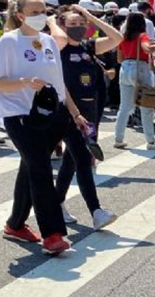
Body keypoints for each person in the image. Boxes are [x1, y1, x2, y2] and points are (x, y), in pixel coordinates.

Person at [0, 0, 75, 254]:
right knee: (41, 169)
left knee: (32, 166)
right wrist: (23, 82)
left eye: (44, 11)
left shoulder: (49, 40)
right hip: (20, 114)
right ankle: (52, 233)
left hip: (52, 114)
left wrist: (71, 112)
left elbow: (58, 80)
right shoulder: (8, 41)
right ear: (20, 15)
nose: (41, 16)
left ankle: (15, 224)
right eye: (34, 12)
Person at [56, 4, 120, 230]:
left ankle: (57, 203)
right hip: (68, 112)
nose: (78, 27)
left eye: (81, 24)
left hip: (90, 110)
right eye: (72, 24)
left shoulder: (89, 46)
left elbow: (117, 37)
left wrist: (90, 16)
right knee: (83, 160)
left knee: (71, 161)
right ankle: (96, 211)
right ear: (61, 26)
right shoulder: (58, 47)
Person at [113, 11, 155, 150]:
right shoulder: (143, 36)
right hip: (140, 68)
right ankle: (151, 141)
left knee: (124, 107)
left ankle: (118, 139)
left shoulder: (123, 37)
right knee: (146, 106)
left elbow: (119, 59)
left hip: (124, 69)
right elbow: (147, 49)